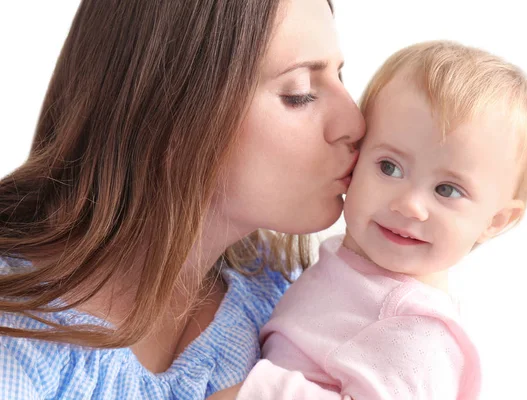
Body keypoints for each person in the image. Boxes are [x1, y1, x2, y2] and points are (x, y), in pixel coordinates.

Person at [0, 0, 365, 398]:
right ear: (168, 113)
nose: (355, 122)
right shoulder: (17, 347)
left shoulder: (280, 302)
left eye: (340, 75)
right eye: (300, 93)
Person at [216, 41, 527, 399]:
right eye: (389, 167)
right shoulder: (355, 274)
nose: (409, 205)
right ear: (355, 156)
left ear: (496, 221)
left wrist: (256, 393)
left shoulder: (415, 332)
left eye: (447, 190)